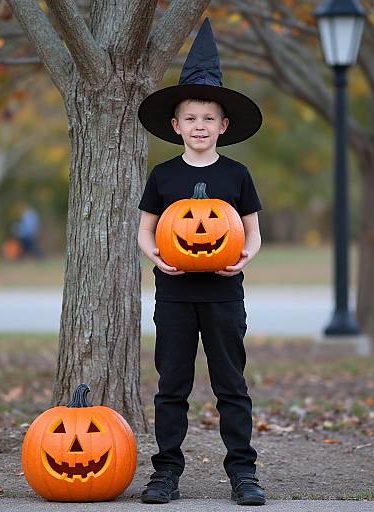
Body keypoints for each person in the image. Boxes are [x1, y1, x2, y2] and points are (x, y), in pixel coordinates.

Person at [136, 18, 265, 506]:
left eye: (208, 119)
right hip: (173, 294)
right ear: (176, 125)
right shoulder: (163, 175)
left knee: (231, 385)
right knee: (172, 386)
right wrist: (154, 255)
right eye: (190, 119)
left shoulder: (237, 174)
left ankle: (243, 474)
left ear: (223, 126)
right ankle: (165, 471)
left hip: (224, 294)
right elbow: (147, 228)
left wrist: (245, 256)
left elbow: (251, 231)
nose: (199, 127)